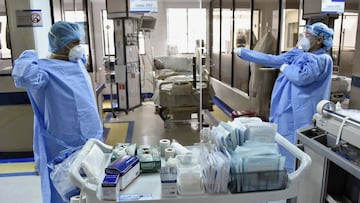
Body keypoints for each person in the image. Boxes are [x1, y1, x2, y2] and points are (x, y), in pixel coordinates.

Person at [12, 21, 104, 203]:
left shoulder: (78, 63)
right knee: (65, 190)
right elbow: (23, 76)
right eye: (75, 42)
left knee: (93, 188)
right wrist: (29, 55)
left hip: (92, 139)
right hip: (64, 144)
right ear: (61, 43)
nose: (79, 47)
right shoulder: (44, 70)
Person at [234, 22, 334, 172]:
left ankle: (295, 182)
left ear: (320, 40)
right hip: (285, 109)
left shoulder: (322, 60)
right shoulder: (299, 54)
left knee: (297, 149)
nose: (303, 38)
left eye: (308, 35)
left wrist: (286, 68)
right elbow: (273, 60)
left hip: (303, 113)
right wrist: (245, 53)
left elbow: (302, 77)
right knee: (282, 143)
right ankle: (284, 177)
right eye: (303, 35)